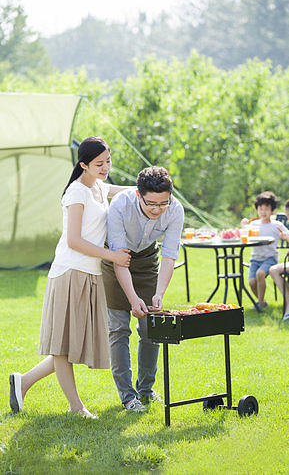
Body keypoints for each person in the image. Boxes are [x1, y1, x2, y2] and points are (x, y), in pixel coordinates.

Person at [9, 136, 131, 418]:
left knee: (73, 343)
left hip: (89, 274)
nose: (105, 167)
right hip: (70, 272)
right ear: (83, 165)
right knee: (64, 346)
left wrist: (150, 189)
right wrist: (112, 256)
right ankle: (76, 407)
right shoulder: (76, 193)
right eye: (99, 164)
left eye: (108, 161)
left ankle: (23, 381)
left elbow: (119, 190)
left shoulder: (99, 187)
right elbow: (74, 240)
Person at [101, 166, 184, 412]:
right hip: (116, 258)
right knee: (119, 329)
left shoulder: (175, 210)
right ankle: (128, 396)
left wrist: (159, 293)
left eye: (163, 203)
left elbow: (169, 255)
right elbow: (119, 259)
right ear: (138, 195)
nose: (158, 210)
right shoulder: (120, 205)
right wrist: (132, 298)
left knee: (151, 328)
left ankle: (146, 390)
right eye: (151, 204)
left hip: (148, 259)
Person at [240, 191, 289, 312]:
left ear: (272, 210)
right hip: (255, 259)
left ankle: (260, 304)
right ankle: (262, 301)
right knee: (252, 282)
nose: (263, 212)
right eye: (260, 209)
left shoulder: (276, 225)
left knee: (260, 274)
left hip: (270, 258)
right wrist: (243, 225)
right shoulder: (254, 224)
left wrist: (286, 236)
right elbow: (244, 235)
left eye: (266, 209)